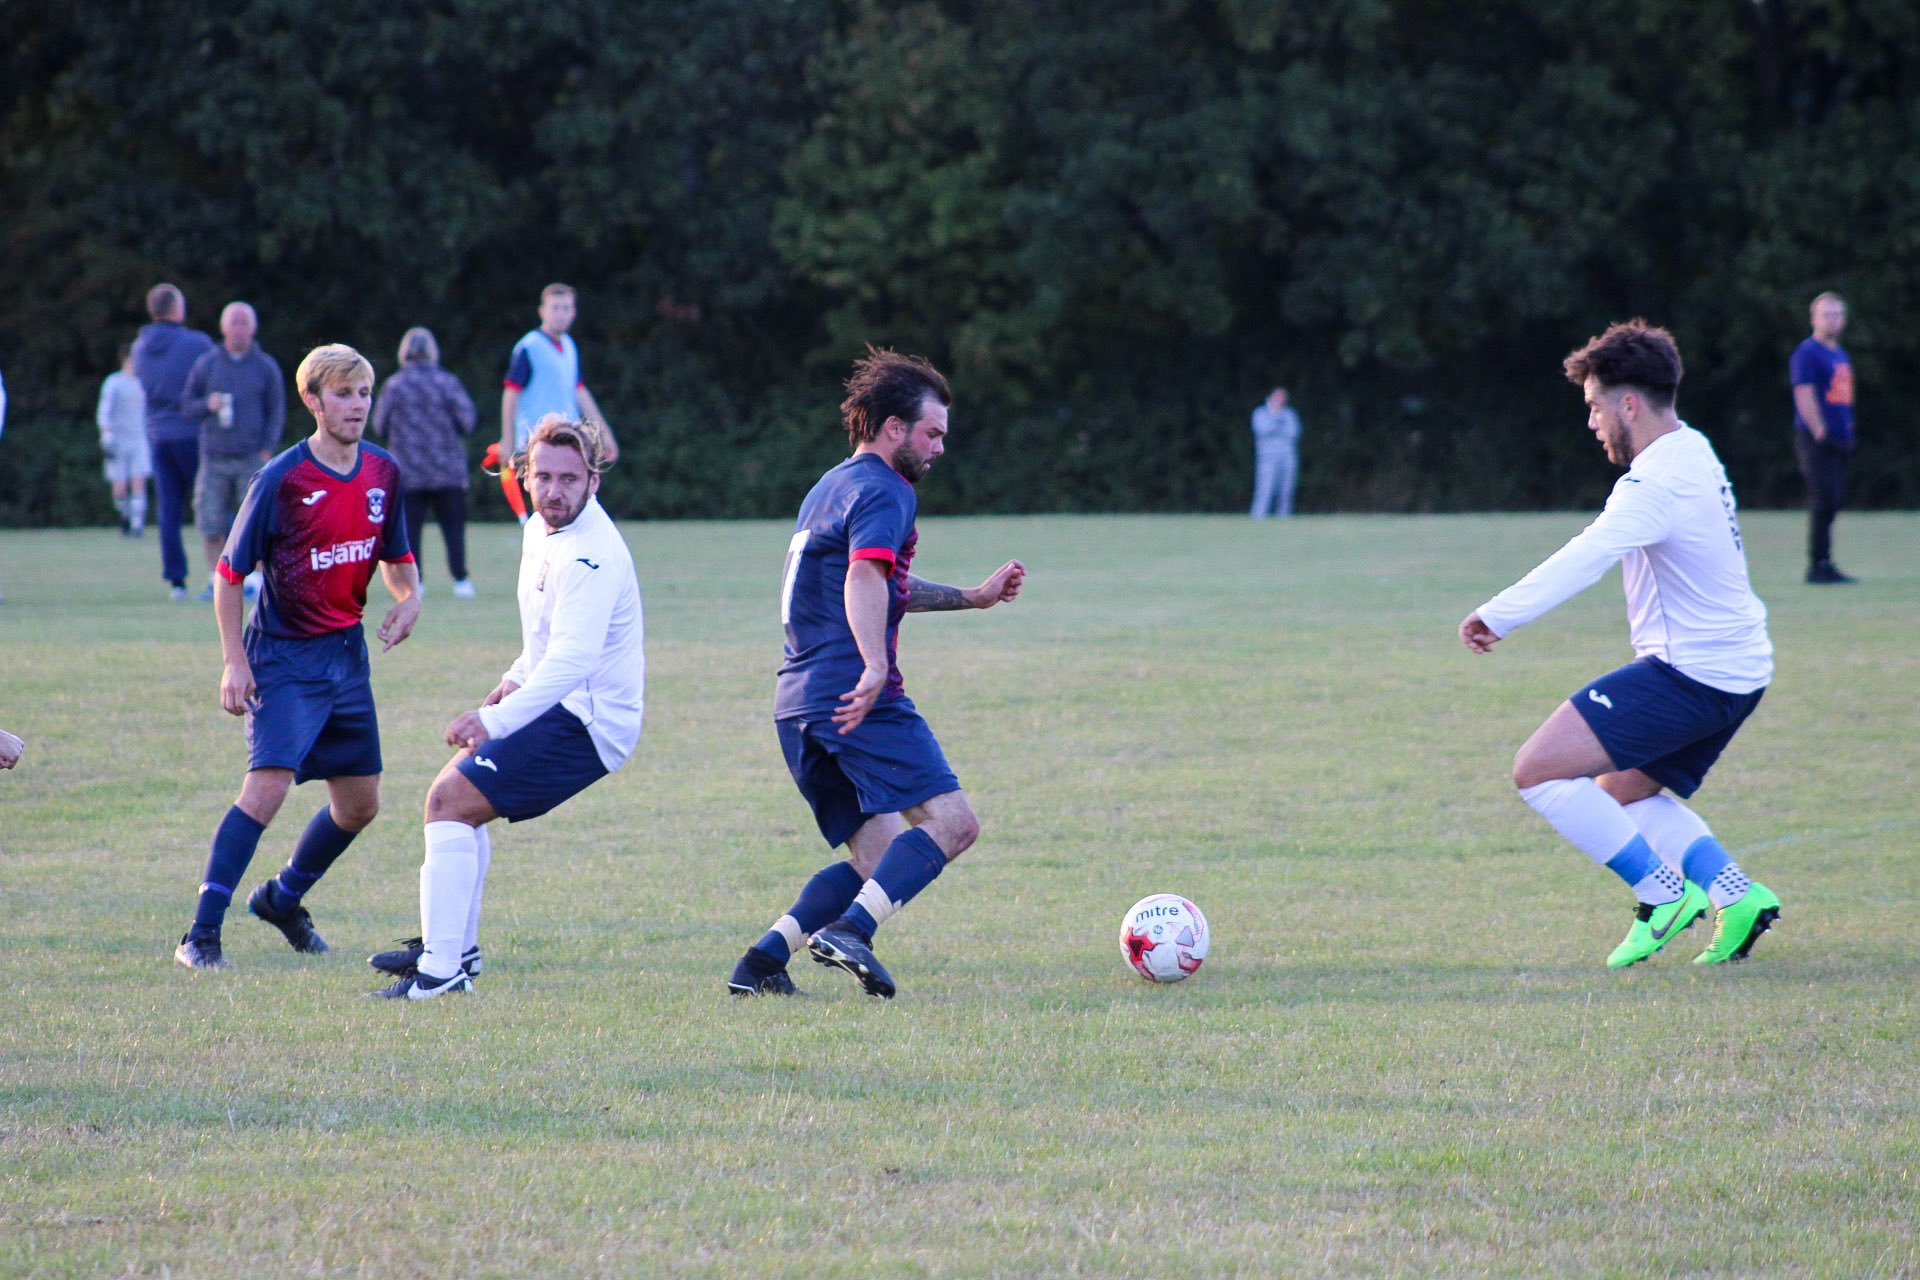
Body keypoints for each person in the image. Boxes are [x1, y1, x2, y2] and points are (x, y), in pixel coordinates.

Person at [1458, 319, 1780, 969]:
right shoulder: (1695, 450)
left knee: (1538, 770)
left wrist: (1499, 615)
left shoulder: (1653, 483)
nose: (1592, 422)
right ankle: (1735, 896)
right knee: (1623, 793)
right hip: (1740, 672)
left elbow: (1590, 554)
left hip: (1690, 675)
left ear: (1628, 403)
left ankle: (1663, 897)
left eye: (1594, 406)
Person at [728, 348, 1026, 1000]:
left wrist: (970, 598)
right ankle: (852, 932)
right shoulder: (888, 488)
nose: (940, 447)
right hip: (852, 694)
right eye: (933, 433)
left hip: (795, 705)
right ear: (894, 427)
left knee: (875, 857)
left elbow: (878, 577)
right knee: (953, 824)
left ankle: (763, 960)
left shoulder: (831, 485)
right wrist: (873, 663)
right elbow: (864, 575)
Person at [368, 414, 643, 999]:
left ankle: (441, 973)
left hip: (590, 723)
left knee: (448, 801)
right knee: (455, 798)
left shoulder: (591, 554)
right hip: (559, 703)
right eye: (543, 476)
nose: (555, 490)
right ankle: (454, 950)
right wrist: (512, 678)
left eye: (570, 478)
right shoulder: (540, 530)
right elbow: (543, 641)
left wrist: (492, 719)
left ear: (594, 480)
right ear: (523, 476)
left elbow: (571, 661)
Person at [173, 344, 420, 970]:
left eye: (364, 393)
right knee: (267, 790)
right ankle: (199, 936)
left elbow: (397, 560)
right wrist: (235, 662)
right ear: (313, 400)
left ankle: (282, 899)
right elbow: (230, 577)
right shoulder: (281, 479)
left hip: (346, 654)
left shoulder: (383, 473)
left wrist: (410, 598)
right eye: (343, 394)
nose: (357, 405)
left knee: (360, 805)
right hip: (283, 657)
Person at [181, 302, 285, 601]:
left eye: (244, 323)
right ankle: (216, 580)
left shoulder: (265, 367)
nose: (239, 329)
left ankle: (257, 581)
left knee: (257, 523)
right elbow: (187, 404)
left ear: (253, 328)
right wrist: (207, 405)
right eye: (234, 323)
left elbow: (276, 410)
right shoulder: (207, 364)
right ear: (223, 328)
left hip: (252, 457)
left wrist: (268, 449)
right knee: (210, 521)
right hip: (214, 457)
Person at [370, 327, 479, 597]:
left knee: (410, 531)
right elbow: (468, 420)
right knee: (453, 528)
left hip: (408, 472)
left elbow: (379, 426)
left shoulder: (394, 386)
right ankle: (461, 580)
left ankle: (415, 583)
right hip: (447, 470)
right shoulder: (446, 382)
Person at [497, 284, 619, 516]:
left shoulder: (570, 347)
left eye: (566, 308)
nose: (561, 313)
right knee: (545, 508)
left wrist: (605, 432)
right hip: (537, 443)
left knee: (573, 507)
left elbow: (580, 392)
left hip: (568, 441)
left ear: (573, 313)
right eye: (555, 308)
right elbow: (511, 393)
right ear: (542, 311)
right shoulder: (529, 347)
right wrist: (508, 440)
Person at [132, 284, 217, 600]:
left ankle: (177, 581)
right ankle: (219, 574)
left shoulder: (140, 347)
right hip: (192, 433)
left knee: (168, 509)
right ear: (176, 309)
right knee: (210, 504)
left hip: (157, 435)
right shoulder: (195, 343)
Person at [1790, 292, 1857, 584]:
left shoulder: (1840, 354)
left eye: (1838, 314)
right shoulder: (1807, 353)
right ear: (1814, 318)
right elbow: (1803, 393)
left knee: (1834, 500)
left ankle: (1826, 562)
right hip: (1817, 439)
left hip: (1840, 437)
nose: (1833, 319)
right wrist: (1820, 432)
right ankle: (1817, 565)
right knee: (1823, 500)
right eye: (1827, 314)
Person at [96, 344, 151, 536]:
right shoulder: (114, 382)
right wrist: (106, 435)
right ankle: (124, 517)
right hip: (118, 440)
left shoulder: (144, 382)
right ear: (126, 359)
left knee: (139, 480)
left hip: (139, 438)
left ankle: (137, 525)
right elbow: (104, 411)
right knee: (119, 487)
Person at [1250, 387, 1301, 518]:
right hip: (1267, 458)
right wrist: (1276, 421)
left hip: (1287, 457)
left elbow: (1294, 432)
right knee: (1264, 488)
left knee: (1286, 490)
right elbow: (1262, 430)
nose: (1281, 400)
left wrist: (1275, 426)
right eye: (1278, 397)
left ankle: (1284, 516)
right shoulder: (1260, 413)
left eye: (1283, 398)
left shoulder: (1289, 414)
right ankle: (1259, 516)